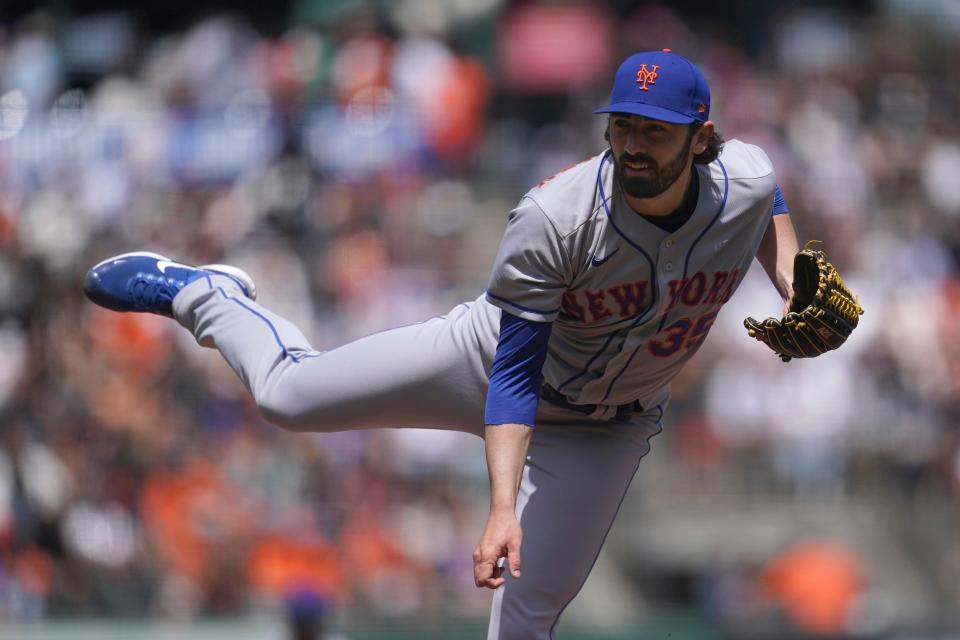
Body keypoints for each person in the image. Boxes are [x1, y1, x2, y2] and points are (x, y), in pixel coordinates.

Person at [84, 50, 799, 639]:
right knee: (288, 398)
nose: (634, 145)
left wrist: (798, 281)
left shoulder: (746, 176)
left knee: (526, 620)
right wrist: (500, 507)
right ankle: (205, 295)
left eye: (657, 131)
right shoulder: (557, 216)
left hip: (605, 430)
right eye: (623, 126)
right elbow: (514, 373)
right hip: (486, 362)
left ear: (702, 138)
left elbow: (767, 205)